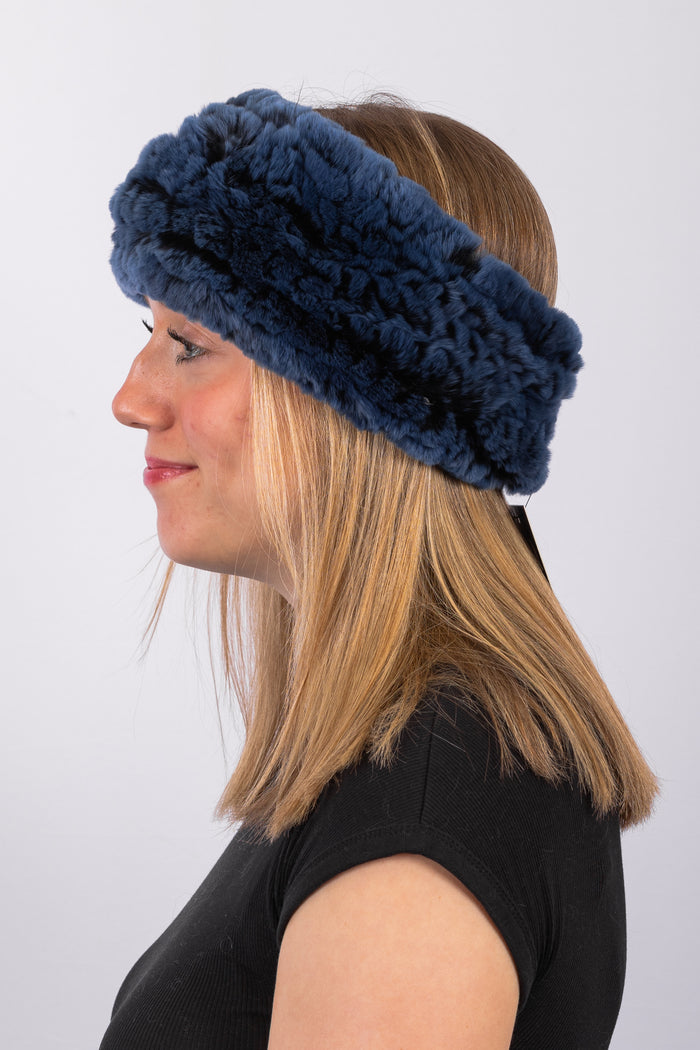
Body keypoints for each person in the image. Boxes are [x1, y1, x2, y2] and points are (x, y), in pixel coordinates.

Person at [101, 89, 657, 1049]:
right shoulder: (416, 760)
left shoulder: (425, 814)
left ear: (369, 397)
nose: (131, 397)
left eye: (190, 344)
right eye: (145, 336)